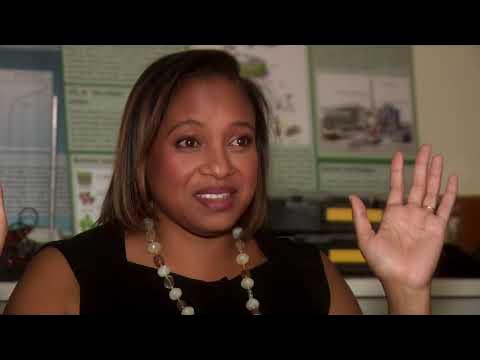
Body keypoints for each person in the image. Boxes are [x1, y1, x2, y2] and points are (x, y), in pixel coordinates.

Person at [0, 49, 458, 315]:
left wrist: (407, 292)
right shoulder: (67, 275)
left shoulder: (310, 274)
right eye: (188, 142)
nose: (221, 167)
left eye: (240, 140)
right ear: (143, 153)